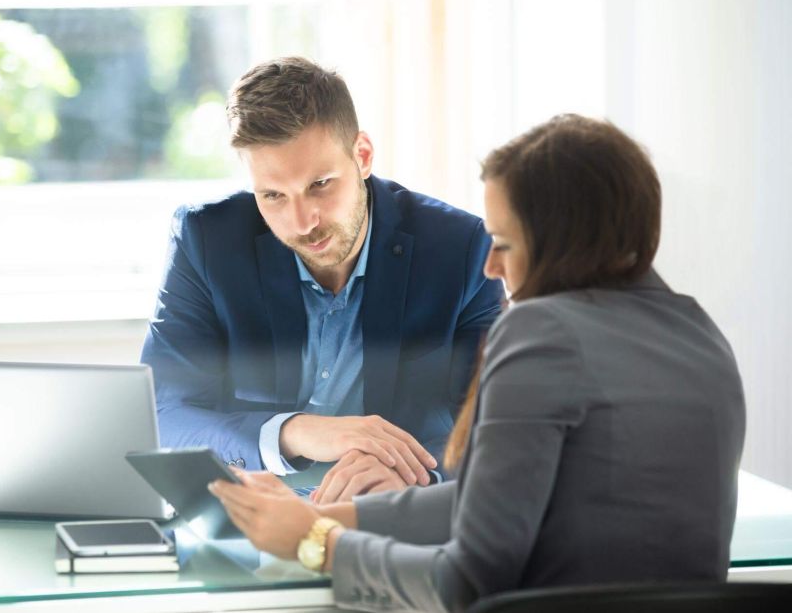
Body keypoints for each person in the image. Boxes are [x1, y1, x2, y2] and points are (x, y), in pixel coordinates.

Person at [209, 114, 746, 611]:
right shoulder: (702, 337)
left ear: (564, 244)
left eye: (505, 244)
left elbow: (469, 581)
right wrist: (324, 516)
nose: (491, 266)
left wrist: (314, 541)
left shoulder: (542, 331)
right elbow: (488, 503)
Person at [141, 57, 503, 497]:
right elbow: (163, 414)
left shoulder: (461, 249)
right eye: (273, 195)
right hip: (247, 520)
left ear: (362, 156)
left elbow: (496, 422)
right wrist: (292, 433)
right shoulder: (207, 241)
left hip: (391, 517)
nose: (301, 222)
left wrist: (419, 476)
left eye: (320, 184)